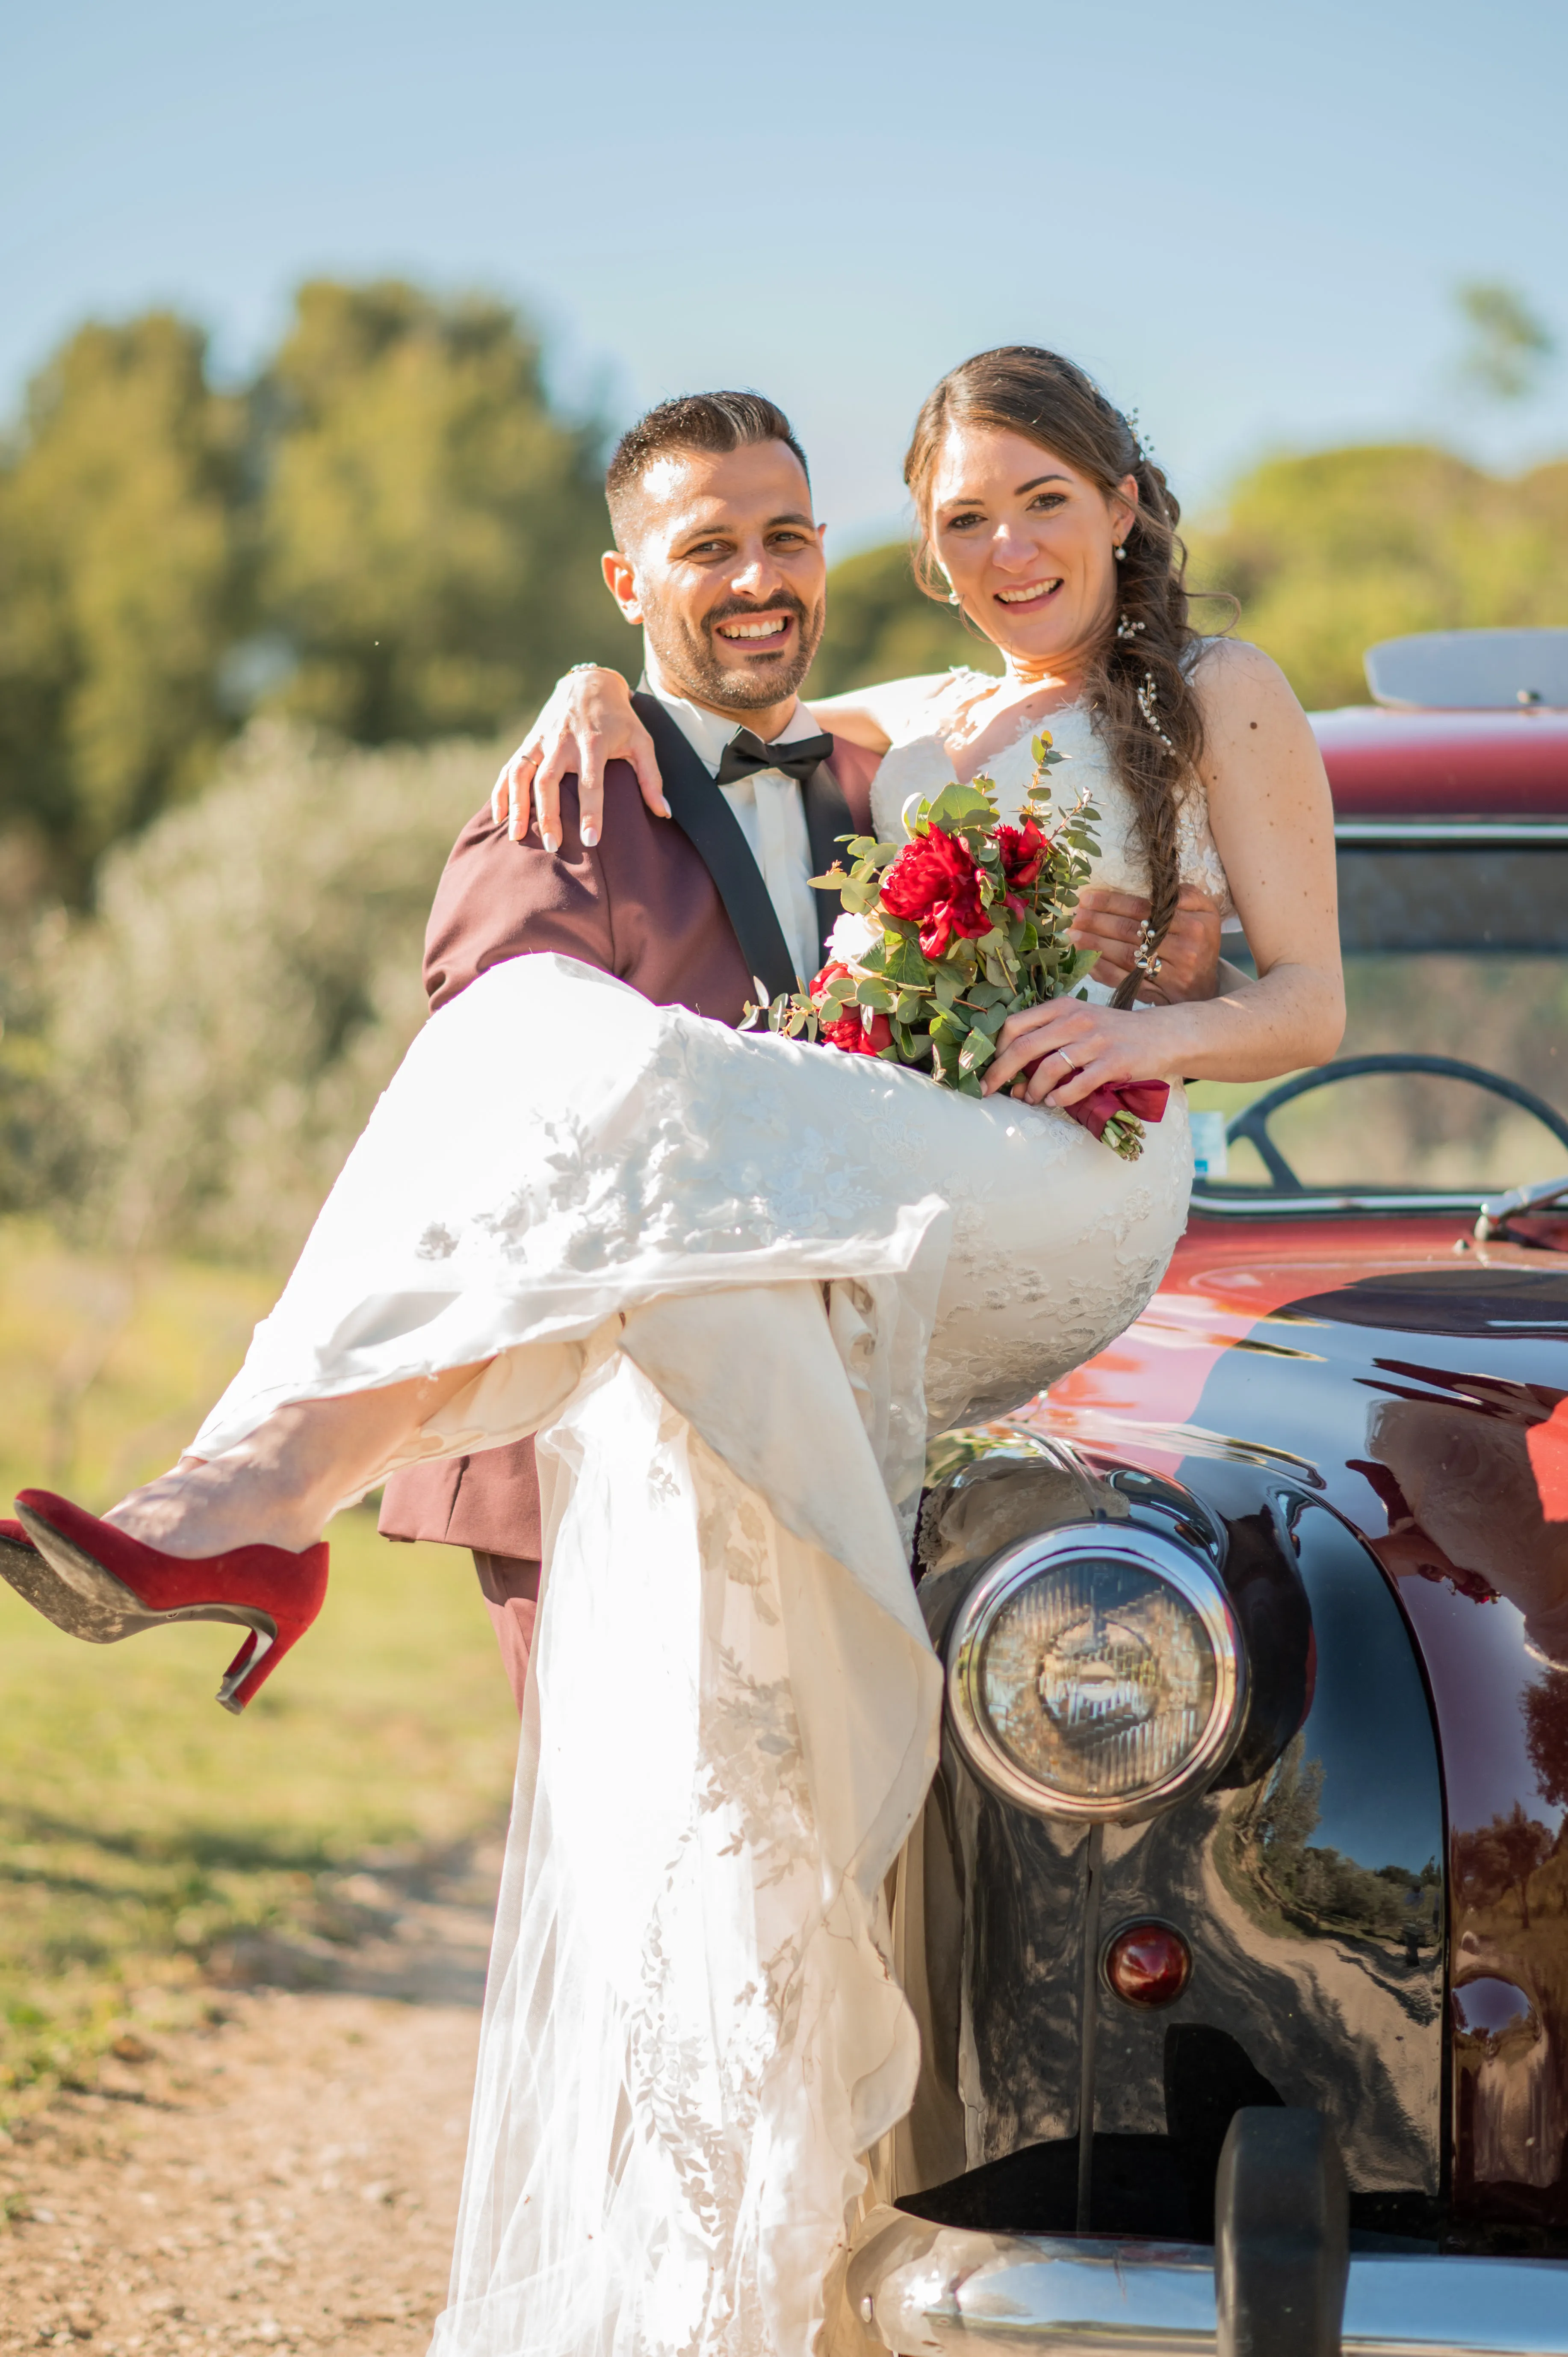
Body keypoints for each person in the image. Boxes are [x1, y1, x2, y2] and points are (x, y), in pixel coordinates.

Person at [5, 346, 1341, 2357]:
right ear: (924, 552)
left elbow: (1306, 1002)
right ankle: (740, 2246)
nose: (1005, 547)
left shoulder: (1220, 687)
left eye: (1042, 502)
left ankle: (267, 1487)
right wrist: (585, 685)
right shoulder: (912, 719)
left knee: (578, 1060)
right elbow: (710, 695)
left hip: (1078, 1170)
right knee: (610, 1134)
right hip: (909, 1168)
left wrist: (1143, 1027)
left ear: (1123, 503)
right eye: (963, 519)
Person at [375, 386, 1231, 1712]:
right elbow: (497, 1115)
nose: (758, 581)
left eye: (786, 538)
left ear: (827, 551)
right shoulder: (563, 801)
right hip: (601, 1451)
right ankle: (263, 1491)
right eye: (709, 548)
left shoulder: (892, 790)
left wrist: (1148, 973)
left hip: (835, 1437)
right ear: (628, 581)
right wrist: (589, 687)